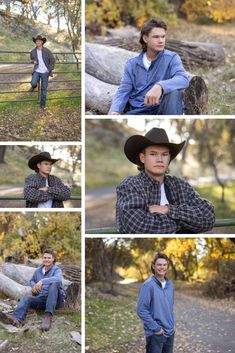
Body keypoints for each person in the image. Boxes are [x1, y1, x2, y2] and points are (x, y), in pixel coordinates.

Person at [116, 127, 215, 234]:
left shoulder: (180, 185)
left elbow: (208, 217)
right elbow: (138, 227)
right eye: (153, 154)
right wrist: (185, 226)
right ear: (142, 158)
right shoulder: (131, 185)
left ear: (169, 158)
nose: (159, 159)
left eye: (164, 154)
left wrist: (169, 210)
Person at [109, 18, 189, 115]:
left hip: (163, 109)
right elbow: (123, 91)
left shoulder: (172, 58)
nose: (161, 41)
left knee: (173, 93)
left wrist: (160, 86)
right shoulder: (132, 64)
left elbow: (183, 79)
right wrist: (115, 110)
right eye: (156, 37)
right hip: (138, 112)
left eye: (163, 37)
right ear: (145, 38)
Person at [0, 249, 65, 331]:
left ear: (53, 259)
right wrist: (34, 286)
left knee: (54, 284)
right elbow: (32, 280)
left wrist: (42, 281)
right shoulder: (38, 271)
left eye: (49, 258)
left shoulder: (56, 270)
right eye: (45, 257)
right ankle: (17, 319)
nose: (46, 260)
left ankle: (48, 316)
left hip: (56, 301)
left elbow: (58, 279)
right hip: (42, 299)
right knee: (26, 298)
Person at [137, 253, 175, 353]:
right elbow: (141, 310)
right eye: (159, 265)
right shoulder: (148, 285)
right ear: (153, 266)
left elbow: (170, 307)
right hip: (155, 334)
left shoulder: (170, 285)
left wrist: (172, 324)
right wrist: (157, 329)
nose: (162, 267)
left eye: (164, 265)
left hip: (170, 333)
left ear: (167, 266)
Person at [29, 35, 55, 110]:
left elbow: (52, 60)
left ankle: (42, 105)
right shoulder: (33, 51)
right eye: (36, 41)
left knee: (44, 89)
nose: (38, 42)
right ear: (35, 42)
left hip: (45, 72)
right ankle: (33, 87)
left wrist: (49, 69)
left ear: (42, 42)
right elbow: (31, 59)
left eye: (39, 41)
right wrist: (33, 61)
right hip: (37, 70)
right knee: (33, 82)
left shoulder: (47, 51)